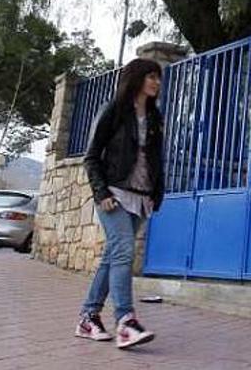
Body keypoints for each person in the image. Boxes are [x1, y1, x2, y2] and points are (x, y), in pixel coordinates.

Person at [75, 58, 164, 349]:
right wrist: (101, 193)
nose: (156, 82)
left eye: (158, 78)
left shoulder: (154, 116)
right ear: (136, 78)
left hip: (141, 197)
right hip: (114, 193)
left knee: (113, 256)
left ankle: (88, 318)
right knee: (124, 250)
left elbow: (155, 160)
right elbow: (92, 157)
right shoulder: (113, 111)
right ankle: (126, 320)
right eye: (151, 76)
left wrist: (157, 191)